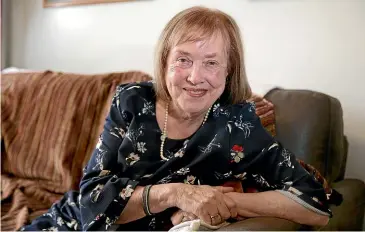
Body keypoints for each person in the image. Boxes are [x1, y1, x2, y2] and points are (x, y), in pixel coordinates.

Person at [21, 6, 332, 231]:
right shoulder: (131, 101)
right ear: (164, 62)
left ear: (228, 71)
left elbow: (315, 205)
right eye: (183, 59)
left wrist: (220, 203)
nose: (195, 78)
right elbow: (92, 198)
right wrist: (178, 193)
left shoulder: (238, 125)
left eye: (211, 63)